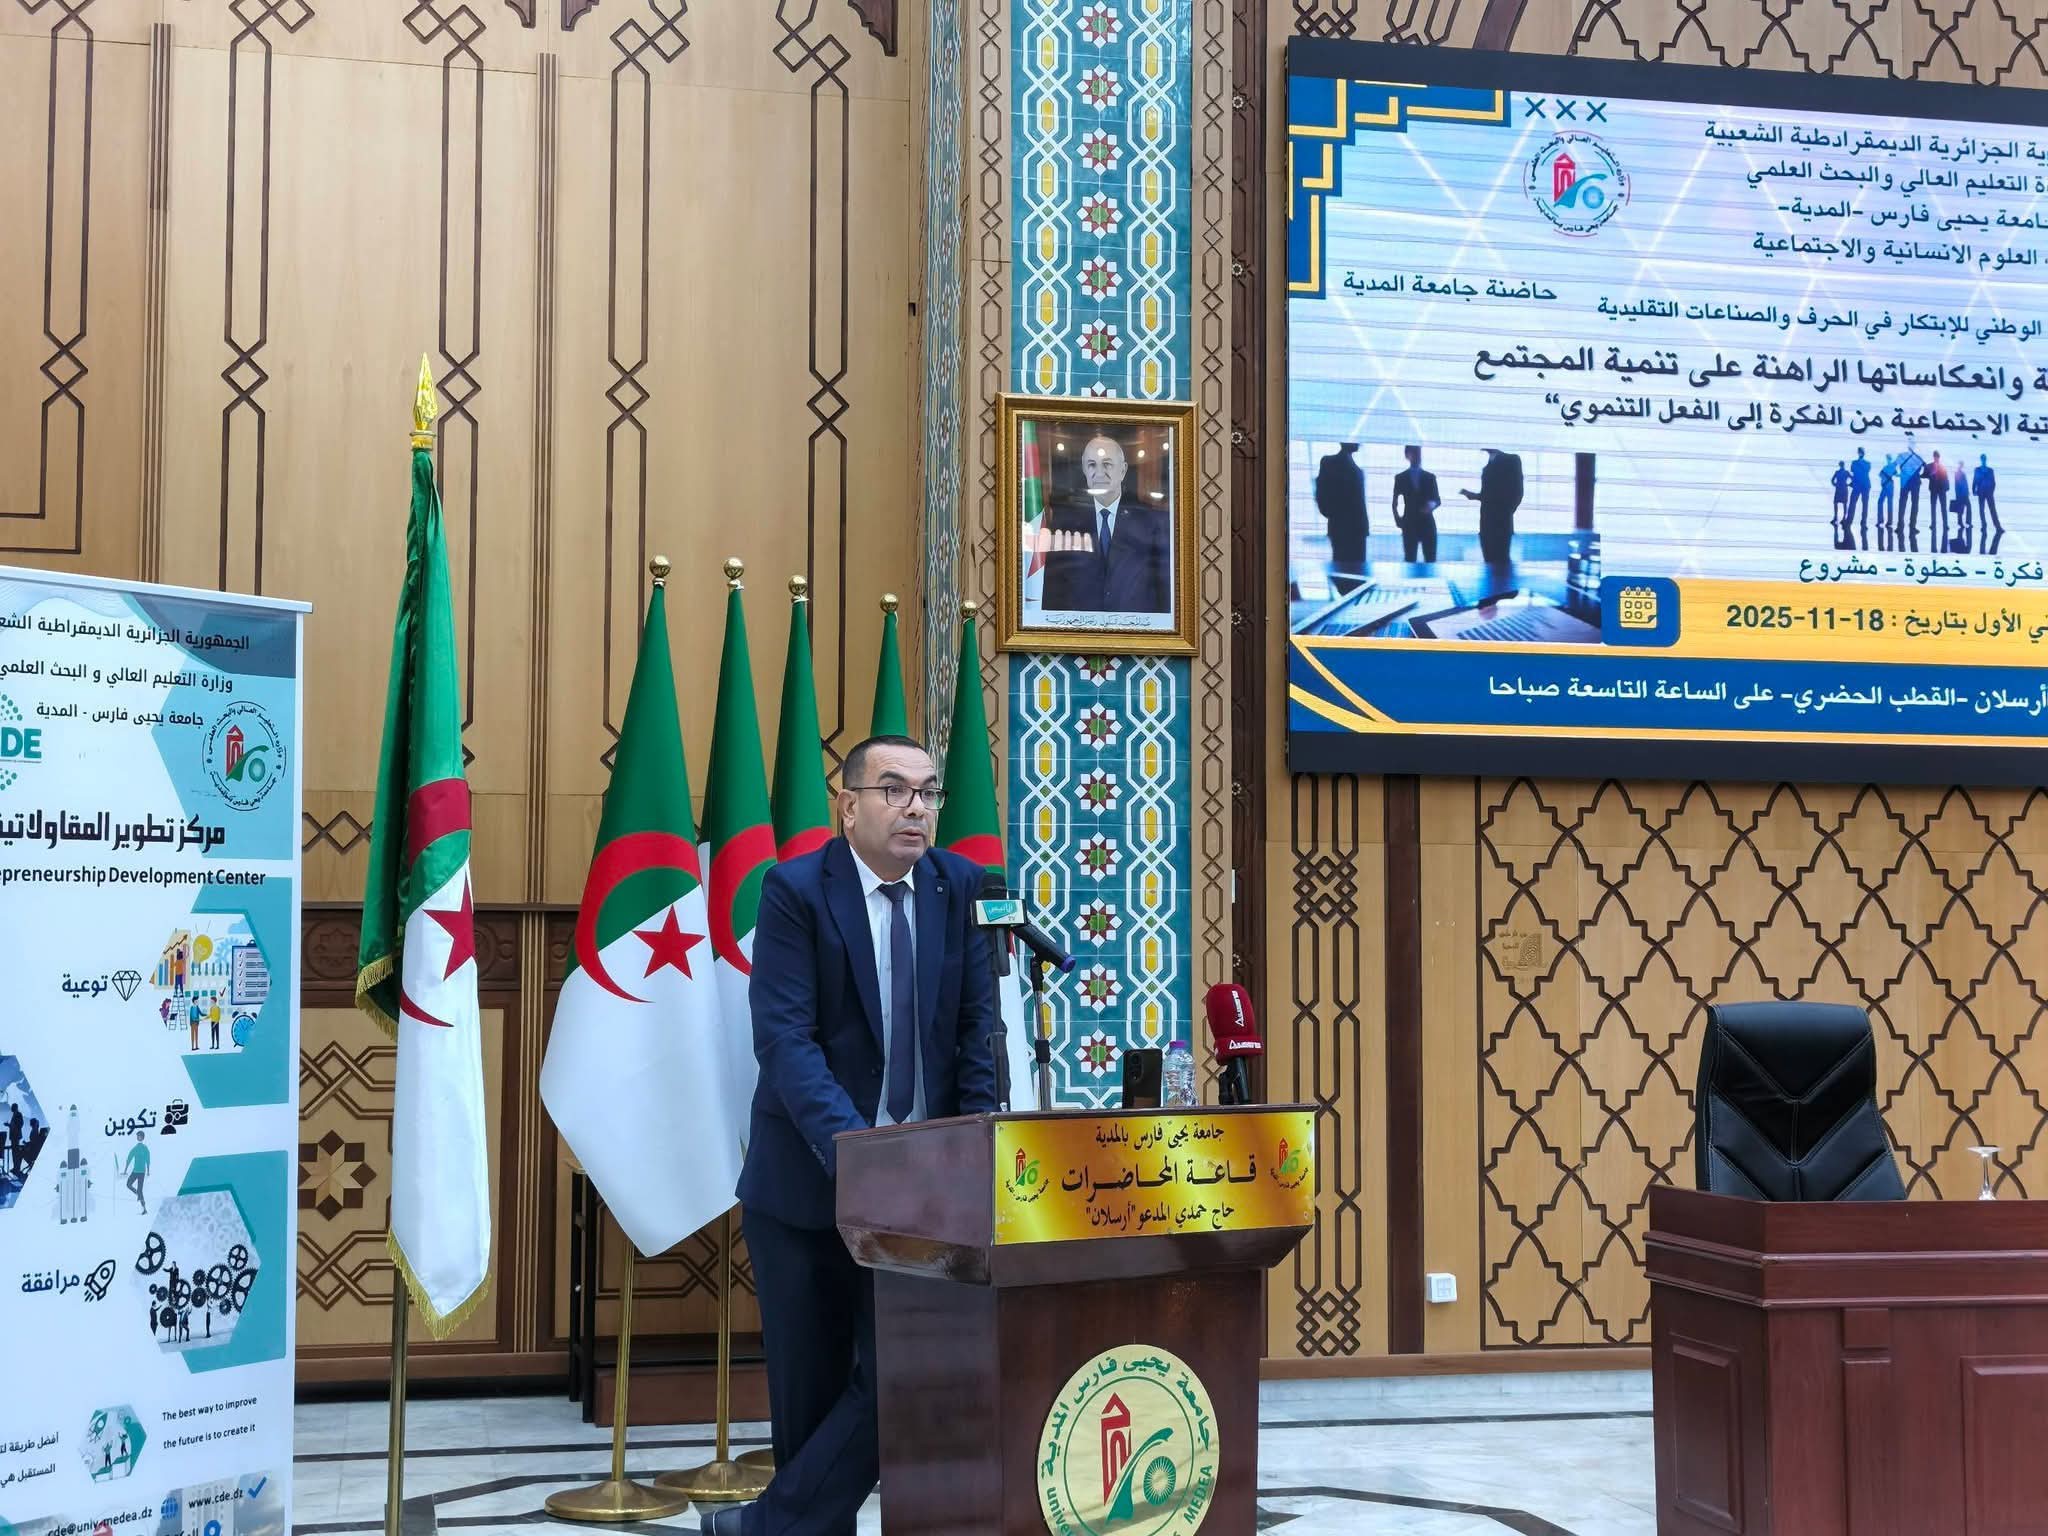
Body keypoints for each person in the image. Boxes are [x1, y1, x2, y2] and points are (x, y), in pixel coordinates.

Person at [707, 735, 999, 1536]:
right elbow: (785, 1042)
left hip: (929, 1195)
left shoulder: (960, 888)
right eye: (895, 790)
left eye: (929, 792)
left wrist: (972, 1155)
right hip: (809, 1186)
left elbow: (978, 1037)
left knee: (915, 1373)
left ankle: (767, 1528)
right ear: (849, 806)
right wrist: (862, 1160)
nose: (916, 807)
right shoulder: (796, 890)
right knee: (809, 1398)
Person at [1038, 433, 1173, 614]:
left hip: (1136, 629)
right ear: (1084, 470)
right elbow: (1054, 588)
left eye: (1107, 464)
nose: (1099, 473)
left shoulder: (1151, 522)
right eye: (1092, 465)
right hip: (1080, 629)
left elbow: (1165, 592)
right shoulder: (1065, 522)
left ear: (1123, 470)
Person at [1460, 448, 1524, 566]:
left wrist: (1507, 511)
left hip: (1501, 520)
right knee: (1489, 560)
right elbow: (1490, 494)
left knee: (1501, 561)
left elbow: (1517, 491)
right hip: (1486, 520)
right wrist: (1475, 496)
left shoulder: (1511, 459)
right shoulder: (1488, 463)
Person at [1314, 442, 1368, 565]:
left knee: (1354, 568)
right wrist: (1331, 513)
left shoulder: (1355, 468)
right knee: (1343, 567)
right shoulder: (1329, 462)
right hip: (1342, 529)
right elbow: (1322, 491)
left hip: (1357, 530)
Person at [1390, 445, 1440, 563]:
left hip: (1426, 523)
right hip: (1410, 523)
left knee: (1430, 559)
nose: (1418, 455)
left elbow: (1437, 500)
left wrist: (1431, 506)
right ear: (1407, 455)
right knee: (1410, 559)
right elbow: (1394, 502)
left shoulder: (1430, 477)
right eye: (1415, 452)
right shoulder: (1400, 478)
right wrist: (1397, 519)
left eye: (1419, 452)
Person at [124, 1130, 149, 1212]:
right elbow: (129, 1158)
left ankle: (144, 1208)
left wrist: (148, 1171)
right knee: (129, 1184)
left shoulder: (145, 1148)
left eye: (139, 1136)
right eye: (137, 1136)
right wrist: (125, 1170)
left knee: (140, 1190)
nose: (138, 1137)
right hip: (135, 1171)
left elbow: (148, 1160)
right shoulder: (135, 1148)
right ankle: (138, 1194)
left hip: (142, 1172)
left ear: (142, 1137)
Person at [1976, 454, 1999, 531]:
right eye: (1982, 459)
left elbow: (1993, 482)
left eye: (1984, 459)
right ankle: (1984, 525)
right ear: (1981, 460)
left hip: (1988, 493)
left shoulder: (1990, 470)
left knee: (1992, 509)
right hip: (1981, 492)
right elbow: (1975, 480)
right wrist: (1974, 490)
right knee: (1982, 510)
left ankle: (1997, 526)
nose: (1983, 460)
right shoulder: (1978, 470)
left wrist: (1991, 491)